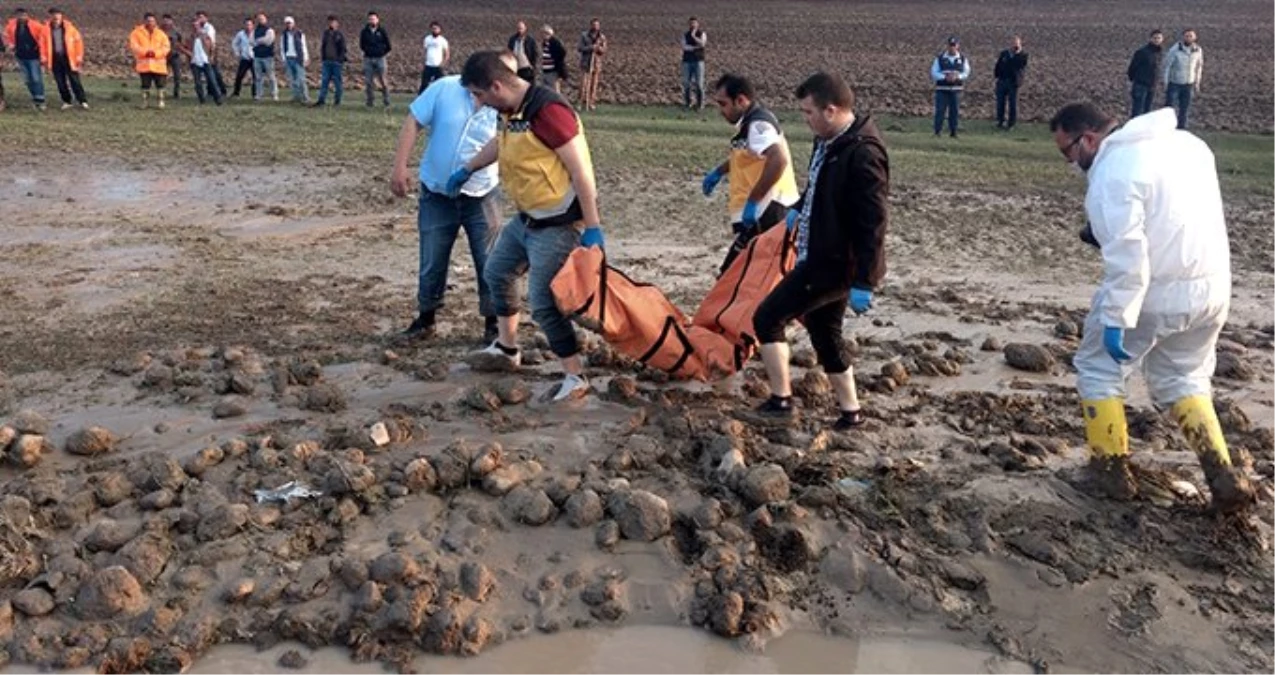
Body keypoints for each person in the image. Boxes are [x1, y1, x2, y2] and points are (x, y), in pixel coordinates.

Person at [1049, 102, 1253, 513]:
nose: (1071, 163)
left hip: (1153, 291)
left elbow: (1128, 254)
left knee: (1098, 368)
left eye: (1067, 152)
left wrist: (1116, 317)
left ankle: (1109, 472)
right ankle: (1222, 472)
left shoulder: (1113, 169)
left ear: (1088, 138)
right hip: (1211, 289)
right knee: (1185, 376)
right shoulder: (1189, 146)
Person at [452, 50, 607, 402]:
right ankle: (507, 350)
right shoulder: (511, 110)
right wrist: (469, 168)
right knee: (497, 272)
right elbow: (500, 144)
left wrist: (593, 226)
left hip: (559, 222)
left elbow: (582, 170)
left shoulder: (549, 111)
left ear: (496, 86)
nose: (477, 102)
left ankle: (575, 376)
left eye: (478, 94)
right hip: (527, 218)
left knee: (542, 300)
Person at [749, 71, 888, 431]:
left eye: (808, 113)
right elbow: (817, 179)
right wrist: (799, 207)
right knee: (825, 333)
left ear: (831, 109)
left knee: (767, 317)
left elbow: (873, 222)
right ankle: (850, 412)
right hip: (819, 254)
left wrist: (865, 280)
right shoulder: (827, 141)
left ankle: (781, 401)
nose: (804, 119)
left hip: (834, 263)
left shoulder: (863, 154)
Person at [391, 66, 502, 344]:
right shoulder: (444, 89)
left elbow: (510, 139)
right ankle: (426, 318)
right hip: (437, 194)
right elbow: (413, 121)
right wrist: (400, 166)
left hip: (482, 194)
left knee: (489, 260)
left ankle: (494, 324)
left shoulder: (503, 100)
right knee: (432, 257)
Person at [700, 73, 800, 274]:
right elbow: (748, 155)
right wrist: (719, 172)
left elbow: (778, 159)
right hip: (764, 209)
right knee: (747, 273)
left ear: (741, 100)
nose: (721, 110)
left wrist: (754, 201)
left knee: (735, 274)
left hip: (769, 209)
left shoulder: (757, 125)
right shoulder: (749, 124)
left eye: (723, 104)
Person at [40, 8, 86, 110]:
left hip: (69, 58)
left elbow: (79, 43)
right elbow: (42, 45)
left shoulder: (70, 28)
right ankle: (67, 101)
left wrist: (79, 56)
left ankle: (82, 100)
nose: (55, 17)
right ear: (50, 16)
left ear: (61, 16)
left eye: (57, 14)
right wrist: (43, 58)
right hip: (55, 59)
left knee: (75, 80)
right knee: (60, 82)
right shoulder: (45, 29)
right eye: (53, 15)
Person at [4, 8, 47, 110]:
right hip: (20, 56)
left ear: (27, 15)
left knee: (36, 78)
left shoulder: (36, 25)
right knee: (27, 80)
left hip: (34, 56)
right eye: (19, 15)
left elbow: (44, 38)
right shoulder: (11, 26)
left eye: (23, 15)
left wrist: (43, 53)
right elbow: (7, 38)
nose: (21, 17)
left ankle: (40, 100)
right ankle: (35, 98)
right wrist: (10, 45)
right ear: (16, 16)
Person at [128, 13, 171, 109]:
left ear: (155, 22)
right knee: (145, 85)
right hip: (144, 65)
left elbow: (166, 47)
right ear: (144, 21)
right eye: (148, 21)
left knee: (160, 85)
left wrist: (155, 54)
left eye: (152, 21)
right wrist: (145, 53)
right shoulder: (136, 33)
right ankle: (144, 102)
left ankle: (161, 102)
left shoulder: (161, 34)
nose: (151, 23)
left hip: (159, 65)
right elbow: (134, 46)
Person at [1163, 29, 1203, 130]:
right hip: (1174, 83)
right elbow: (1167, 66)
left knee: (1184, 109)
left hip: (1189, 83)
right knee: (1169, 108)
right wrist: (1166, 82)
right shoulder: (1175, 50)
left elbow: (1199, 66)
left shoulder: (1198, 50)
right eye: (1187, 36)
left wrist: (1197, 82)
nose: (1189, 38)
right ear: (1183, 37)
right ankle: (1167, 128)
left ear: (1195, 38)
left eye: (1191, 36)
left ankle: (1181, 129)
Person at [931, 36, 970, 137]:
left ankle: (953, 132)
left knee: (954, 112)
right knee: (940, 111)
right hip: (942, 89)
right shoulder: (940, 59)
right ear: (947, 46)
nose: (952, 48)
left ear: (957, 46)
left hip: (956, 90)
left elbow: (966, 72)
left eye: (954, 45)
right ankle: (937, 132)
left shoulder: (962, 59)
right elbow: (934, 72)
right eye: (950, 45)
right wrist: (944, 77)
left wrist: (958, 77)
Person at [1126, 29, 1164, 118]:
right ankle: (1134, 130)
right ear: (1150, 39)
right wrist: (1135, 79)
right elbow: (1132, 67)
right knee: (1137, 111)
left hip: (1152, 86)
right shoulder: (1142, 52)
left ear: (1162, 39)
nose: (1157, 40)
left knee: (1147, 111)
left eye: (1159, 38)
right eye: (1155, 38)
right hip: (1140, 85)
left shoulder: (1159, 53)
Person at [187, 14, 222, 105]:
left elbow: (211, 46)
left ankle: (218, 98)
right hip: (195, 62)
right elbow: (188, 48)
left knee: (212, 80)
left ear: (199, 25)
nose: (195, 27)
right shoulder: (191, 37)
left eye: (196, 25)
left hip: (205, 61)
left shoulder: (205, 35)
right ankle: (202, 99)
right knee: (197, 83)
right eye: (193, 25)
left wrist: (211, 57)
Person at [993, 35, 1027, 129]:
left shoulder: (1022, 55)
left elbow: (1019, 65)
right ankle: (1000, 121)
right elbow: (998, 65)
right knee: (1000, 103)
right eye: (1013, 44)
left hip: (1013, 82)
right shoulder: (1004, 54)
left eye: (1016, 44)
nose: (1014, 46)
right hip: (1002, 81)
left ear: (1020, 44)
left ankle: (1011, 123)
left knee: (1013, 104)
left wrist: (1017, 53)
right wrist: (997, 75)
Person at [360, 11, 391, 107]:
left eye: (373, 19)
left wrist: (381, 53)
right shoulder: (364, 32)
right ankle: (370, 102)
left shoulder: (382, 31)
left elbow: (388, 45)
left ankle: (386, 101)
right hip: (368, 59)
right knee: (368, 82)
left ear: (377, 20)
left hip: (380, 59)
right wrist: (368, 51)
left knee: (383, 81)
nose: (372, 20)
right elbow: (361, 45)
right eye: (370, 19)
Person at [314, 15, 346, 107]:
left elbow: (343, 49)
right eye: (330, 22)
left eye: (333, 22)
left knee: (337, 83)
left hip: (336, 63)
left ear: (337, 24)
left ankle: (337, 102)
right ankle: (321, 101)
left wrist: (339, 60)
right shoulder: (326, 34)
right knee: (324, 82)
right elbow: (323, 46)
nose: (331, 24)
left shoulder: (339, 35)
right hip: (326, 62)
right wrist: (323, 58)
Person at [577, 18, 607, 111]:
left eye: (597, 25)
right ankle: (580, 102)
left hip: (596, 64)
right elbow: (580, 48)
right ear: (591, 25)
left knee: (593, 85)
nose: (595, 27)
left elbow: (604, 50)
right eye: (593, 25)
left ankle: (591, 103)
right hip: (586, 63)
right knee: (583, 84)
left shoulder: (602, 37)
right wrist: (591, 47)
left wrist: (598, 48)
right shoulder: (584, 35)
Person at [279, 16, 309, 104]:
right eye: (287, 23)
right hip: (288, 58)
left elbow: (304, 46)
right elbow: (282, 47)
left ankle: (305, 97)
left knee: (301, 79)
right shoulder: (284, 34)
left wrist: (306, 58)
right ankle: (296, 97)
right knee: (292, 80)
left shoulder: (299, 33)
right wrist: (283, 58)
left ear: (293, 23)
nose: (288, 25)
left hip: (298, 58)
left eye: (290, 23)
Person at [680, 17, 707, 111]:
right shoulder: (685, 35)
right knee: (686, 83)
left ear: (697, 24)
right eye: (691, 23)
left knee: (699, 84)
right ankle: (688, 103)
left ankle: (700, 105)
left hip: (698, 61)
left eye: (694, 23)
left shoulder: (702, 34)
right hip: (687, 61)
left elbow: (702, 44)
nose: (692, 25)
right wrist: (695, 48)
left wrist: (694, 36)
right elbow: (684, 47)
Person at [251, 12, 278, 102]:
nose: (260, 20)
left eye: (262, 18)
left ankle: (274, 94)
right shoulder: (254, 31)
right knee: (258, 77)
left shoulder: (269, 30)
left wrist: (258, 41)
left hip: (268, 56)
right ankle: (259, 95)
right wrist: (260, 41)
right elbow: (251, 41)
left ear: (265, 19)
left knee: (271, 76)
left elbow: (268, 41)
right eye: (259, 19)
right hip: (257, 56)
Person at [418, 21, 448, 93]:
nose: (434, 30)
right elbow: (424, 51)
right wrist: (422, 63)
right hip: (428, 65)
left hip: (438, 66)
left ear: (439, 30)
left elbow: (447, 53)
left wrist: (443, 63)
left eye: (436, 28)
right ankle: (421, 99)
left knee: (440, 85)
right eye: (433, 28)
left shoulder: (443, 40)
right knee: (424, 84)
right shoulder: (427, 39)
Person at [231, 17, 256, 98]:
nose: (248, 26)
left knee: (255, 77)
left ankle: (255, 94)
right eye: (246, 24)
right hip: (244, 58)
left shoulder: (256, 34)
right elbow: (234, 43)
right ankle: (236, 93)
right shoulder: (240, 34)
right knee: (239, 76)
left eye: (249, 25)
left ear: (253, 25)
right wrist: (237, 53)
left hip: (254, 59)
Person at [160, 14, 184, 100]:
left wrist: (178, 48)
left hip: (175, 56)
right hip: (163, 56)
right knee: (162, 75)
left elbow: (181, 42)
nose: (166, 22)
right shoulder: (159, 31)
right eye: (164, 20)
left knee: (177, 75)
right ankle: (162, 92)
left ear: (171, 21)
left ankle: (176, 93)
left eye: (168, 20)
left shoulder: (176, 31)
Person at [538, 25, 568, 93]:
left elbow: (563, 52)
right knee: (546, 91)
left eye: (543, 33)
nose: (542, 35)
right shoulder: (545, 43)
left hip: (552, 72)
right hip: (545, 71)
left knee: (555, 92)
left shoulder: (554, 42)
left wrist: (557, 62)